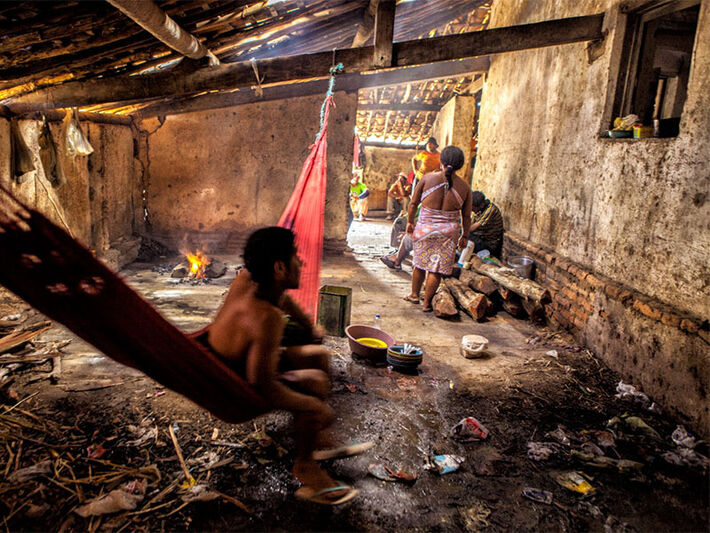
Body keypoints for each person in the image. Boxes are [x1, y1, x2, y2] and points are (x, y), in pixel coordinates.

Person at [206, 227, 367, 504]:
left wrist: (308, 324)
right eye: (296, 257)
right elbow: (263, 386)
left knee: (319, 357)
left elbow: (285, 299)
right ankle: (304, 465)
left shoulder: (254, 280)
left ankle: (316, 438)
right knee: (314, 389)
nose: (301, 263)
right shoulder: (265, 317)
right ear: (280, 267)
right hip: (234, 383)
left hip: (241, 359)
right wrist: (314, 406)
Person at [404, 146, 472, 312]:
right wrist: (464, 236)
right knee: (436, 269)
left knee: (420, 263)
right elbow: (467, 216)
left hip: (425, 228)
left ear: (441, 161)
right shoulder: (465, 187)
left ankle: (414, 295)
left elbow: (413, 203)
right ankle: (427, 304)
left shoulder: (428, 178)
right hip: (448, 232)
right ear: (461, 164)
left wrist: (410, 221)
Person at [469, 191, 504, 258]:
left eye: (473, 208)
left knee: (464, 236)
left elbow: (471, 228)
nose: (471, 210)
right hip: (479, 237)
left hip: (488, 245)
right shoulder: (480, 209)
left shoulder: (490, 210)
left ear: (481, 205)